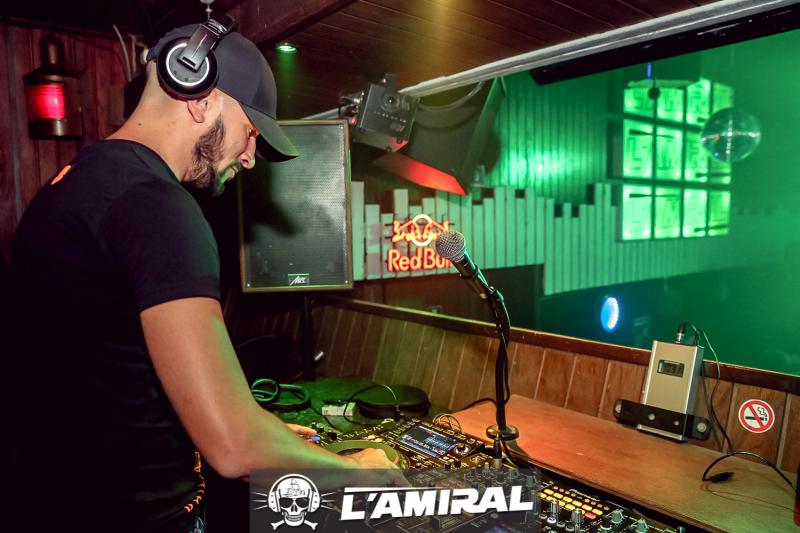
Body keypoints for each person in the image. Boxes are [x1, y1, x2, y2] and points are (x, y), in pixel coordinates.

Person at [7, 23, 398, 532]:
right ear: (201, 97)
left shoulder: (64, 188)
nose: (250, 157)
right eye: (251, 131)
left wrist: (267, 430)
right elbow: (234, 448)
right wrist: (358, 473)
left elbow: (111, 383)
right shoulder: (157, 207)